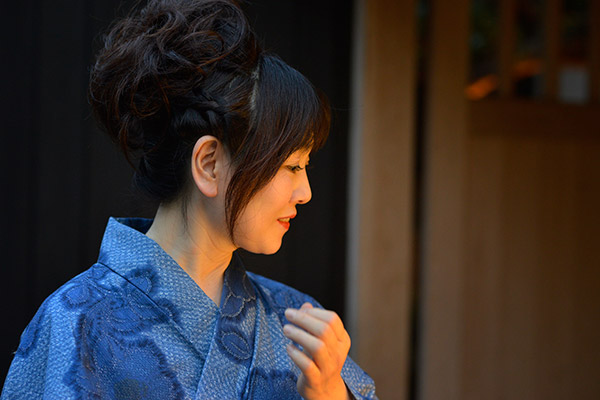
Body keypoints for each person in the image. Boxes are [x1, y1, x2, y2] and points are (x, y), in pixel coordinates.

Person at [1, 0, 376, 399]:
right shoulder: (77, 322)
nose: (305, 193)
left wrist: (330, 393)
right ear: (209, 164)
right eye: (292, 166)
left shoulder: (298, 324)